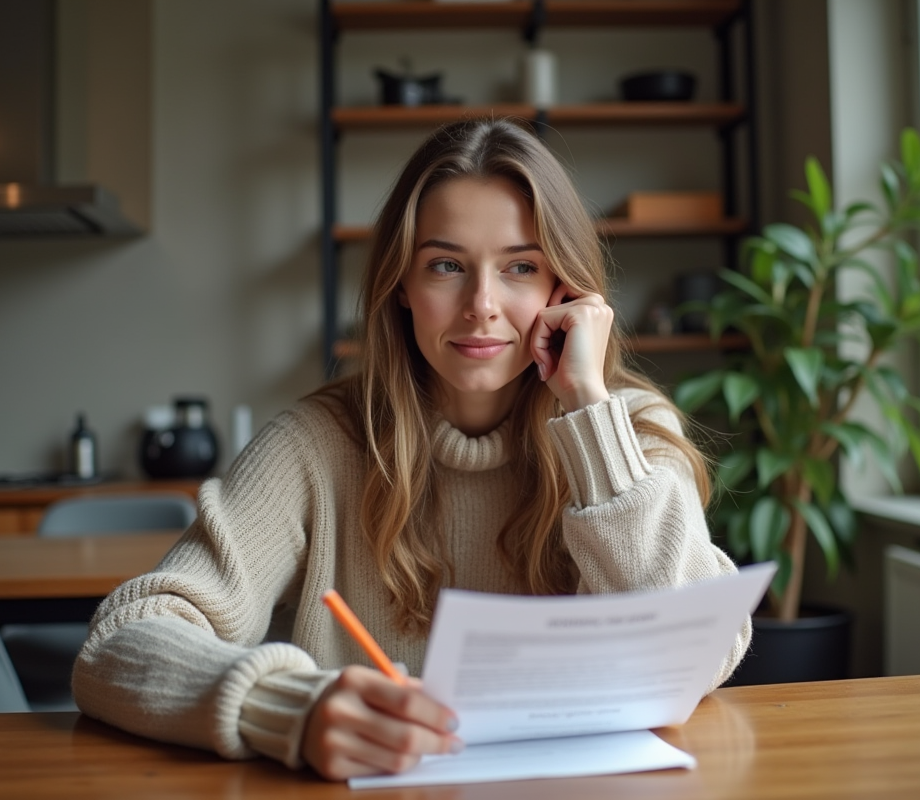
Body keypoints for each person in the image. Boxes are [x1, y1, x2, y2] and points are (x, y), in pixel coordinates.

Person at [73, 117, 751, 781]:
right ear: (401, 283)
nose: (482, 305)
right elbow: (119, 644)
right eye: (446, 265)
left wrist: (588, 409)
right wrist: (284, 706)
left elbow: (699, 650)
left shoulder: (626, 431)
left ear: (566, 290)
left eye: (520, 267)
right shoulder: (315, 445)